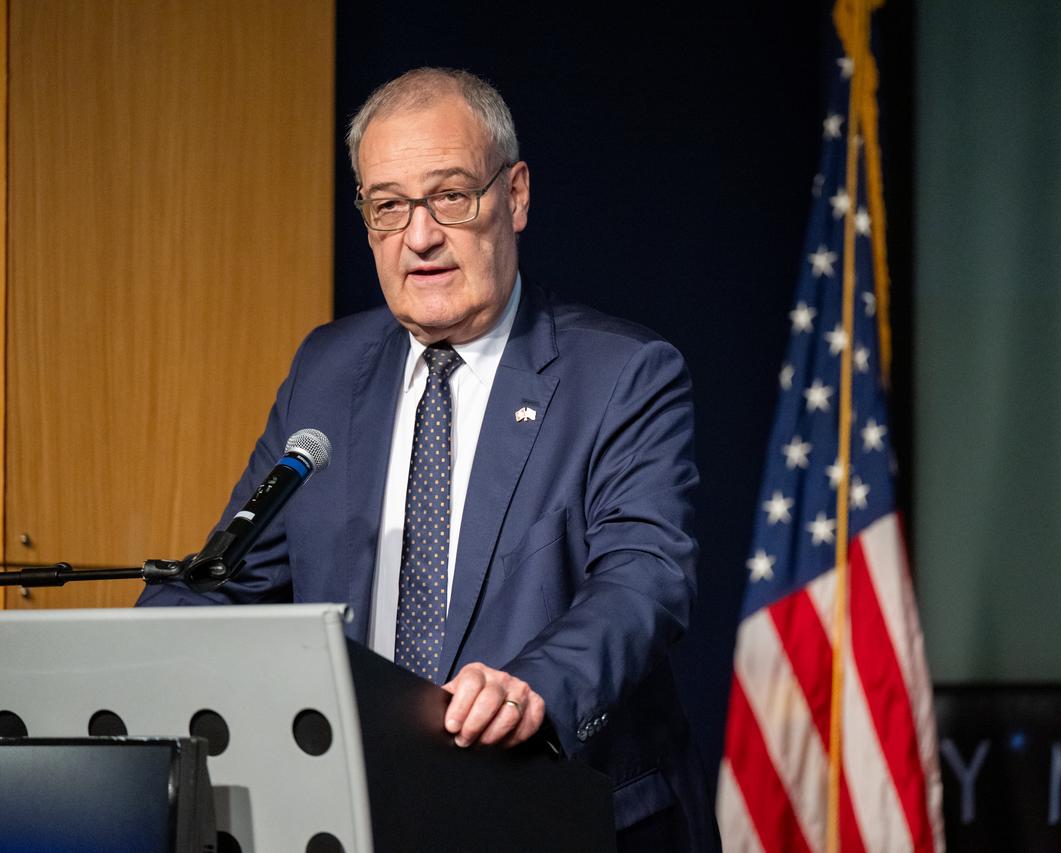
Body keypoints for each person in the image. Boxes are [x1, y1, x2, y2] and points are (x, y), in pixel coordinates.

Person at [137, 67, 718, 851]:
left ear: (513, 195)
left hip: (554, 813)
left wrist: (534, 687)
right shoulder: (327, 370)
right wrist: (132, 651)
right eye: (388, 206)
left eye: (450, 196)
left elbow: (646, 577)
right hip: (355, 813)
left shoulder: (621, 373)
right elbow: (230, 576)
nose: (419, 236)